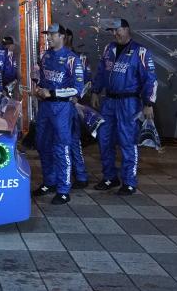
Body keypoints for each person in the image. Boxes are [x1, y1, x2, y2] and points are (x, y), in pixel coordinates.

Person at [91, 18, 157, 195]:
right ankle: (109, 177)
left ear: (127, 29)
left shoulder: (140, 52)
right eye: (112, 31)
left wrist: (148, 103)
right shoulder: (108, 49)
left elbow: (150, 79)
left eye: (117, 30)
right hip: (109, 102)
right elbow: (101, 71)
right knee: (104, 140)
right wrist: (96, 91)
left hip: (129, 103)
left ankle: (129, 182)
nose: (114, 34)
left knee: (128, 142)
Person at [33, 24, 87, 205]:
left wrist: (54, 93)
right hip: (45, 108)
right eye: (48, 34)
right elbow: (40, 78)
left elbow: (78, 90)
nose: (49, 37)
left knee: (61, 147)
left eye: (53, 34)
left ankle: (64, 189)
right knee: (43, 145)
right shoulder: (46, 55)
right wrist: (38, 89)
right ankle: (50, 182)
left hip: (62, 109)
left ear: (62, 36)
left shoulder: (72, 59)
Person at [64, 28, 91, 188]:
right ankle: (61, 176)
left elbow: (87, 81)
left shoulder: (80, 57)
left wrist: (77, 97)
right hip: (55, 105)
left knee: (74, 140)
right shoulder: (50, 56)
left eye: (66, 35)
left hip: (72, 105)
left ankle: (80, 176)